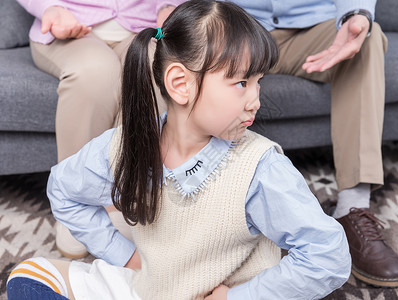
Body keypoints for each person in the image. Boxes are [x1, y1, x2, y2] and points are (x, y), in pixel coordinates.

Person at [6, 1, 352, 299]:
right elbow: (63, 189)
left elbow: (328, 256)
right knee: (30, 275)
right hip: (152, 285)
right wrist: (125, 257)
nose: (255, 101)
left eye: (258, 82)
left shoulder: (260, 168)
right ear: (180, 84)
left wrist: (239, 296)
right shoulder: (127, 142)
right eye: (242, 83)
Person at [225, 0, 398, 288]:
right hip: (238, 28)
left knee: (369, 38)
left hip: (314, 26)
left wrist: (356, 14)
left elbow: (357, 18)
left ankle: (352, 208)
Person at [15, 0, 186, 259]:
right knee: (95, 72)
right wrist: (50, 8)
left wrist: (170, 6)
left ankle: (130, 196)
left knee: (158, 68)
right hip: (67, 25)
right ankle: (75, 199)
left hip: (143, 26)